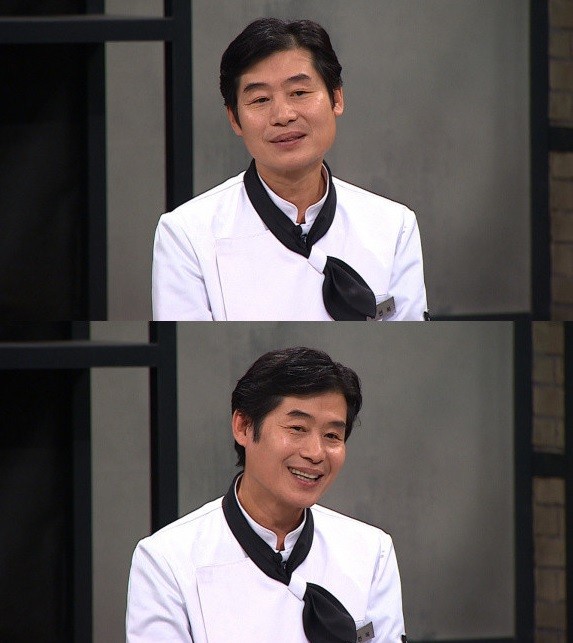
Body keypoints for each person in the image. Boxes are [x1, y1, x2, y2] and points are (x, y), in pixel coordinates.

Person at [152, 18, 428, 321]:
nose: (283, 115)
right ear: (234, 119)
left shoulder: (394, 226)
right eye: (260, 99)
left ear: (336, 98)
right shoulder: (186, 235)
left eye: (299, 92)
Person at [126, 347, 407, 642]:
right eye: (297, 428)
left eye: (332, 435)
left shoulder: (372, 551)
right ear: (243, 427)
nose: (315, 453)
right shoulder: (166, 560)